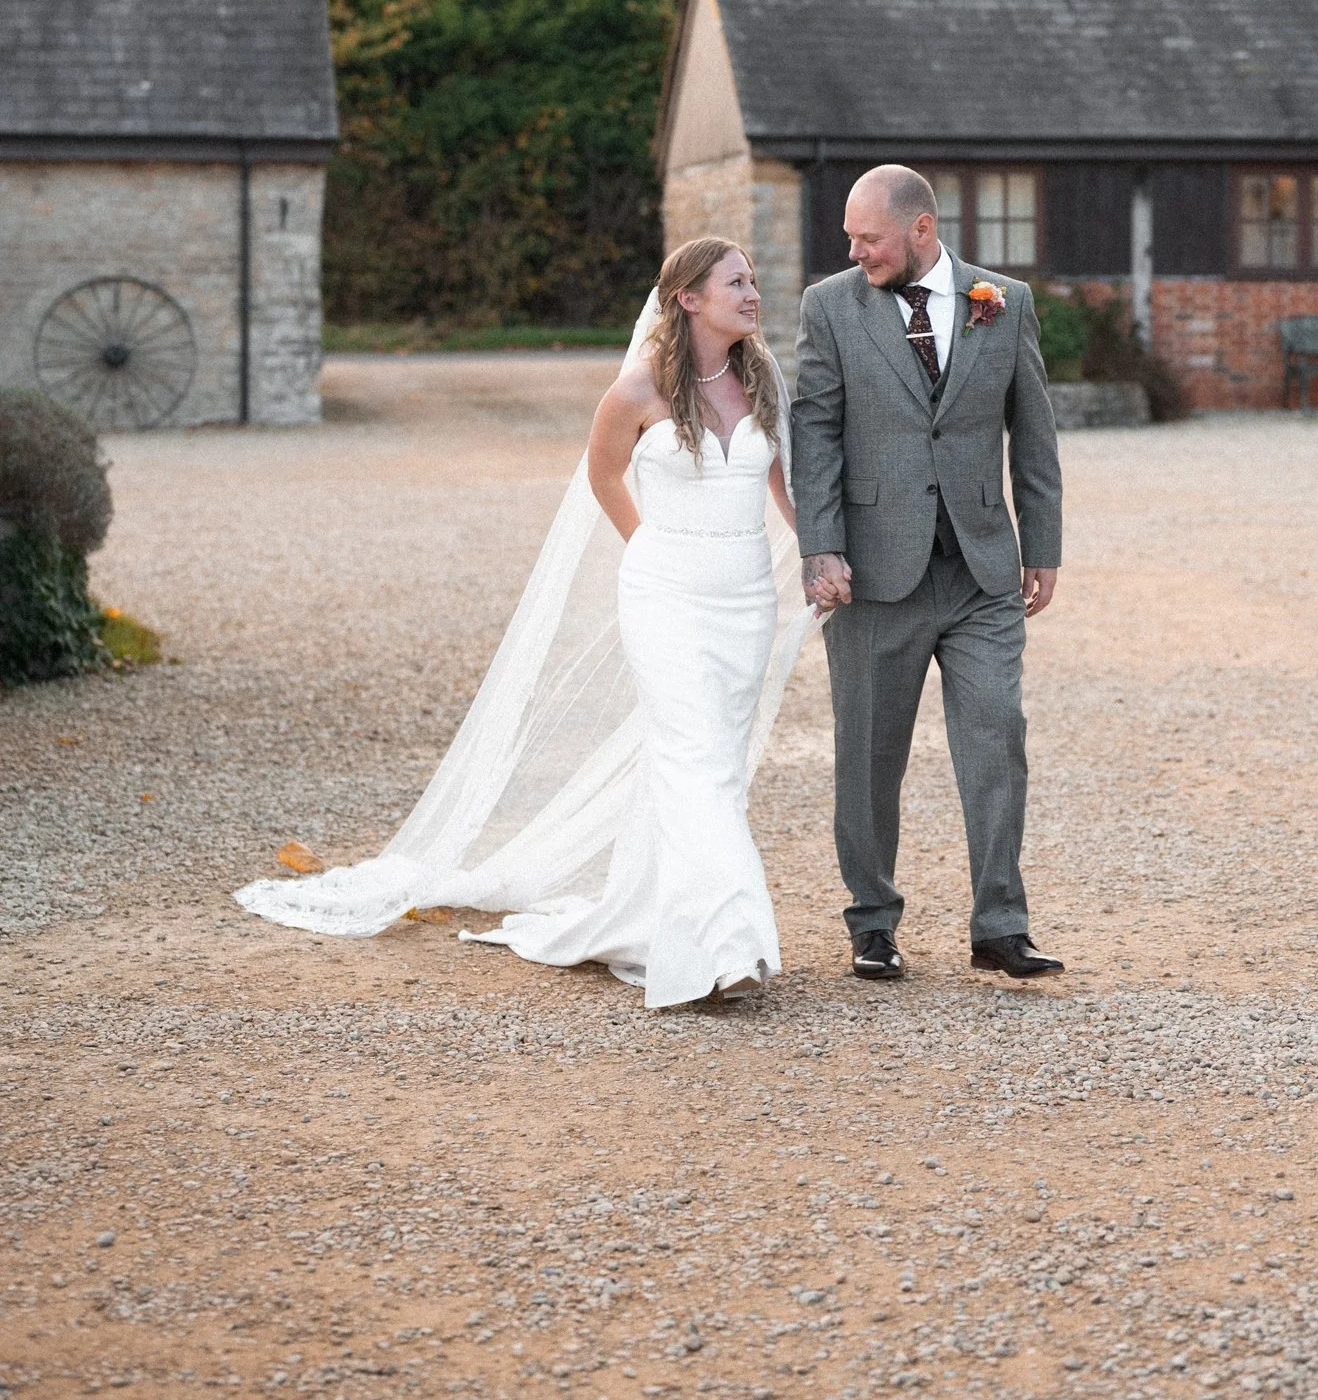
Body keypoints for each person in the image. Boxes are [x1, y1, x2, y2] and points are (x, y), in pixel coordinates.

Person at [236, 239, 815, 1012]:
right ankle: (727, 947)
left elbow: (781, 478)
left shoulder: (761, 381)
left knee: (711, 763)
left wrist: (817, 556)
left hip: (744, 600)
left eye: (750, 281)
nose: (752, 293)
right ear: (688, 299)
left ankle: (660, 916)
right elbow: (605, 474)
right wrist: (651, 546)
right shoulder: (637, 391)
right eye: (735, 282)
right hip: (665, 597)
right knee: (693, 761)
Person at [792, 165, 1064, 981]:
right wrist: (821, 545)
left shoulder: (1001, 301)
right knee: (870, 754)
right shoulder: (829, 306)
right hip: (873, 573)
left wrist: (1041, 548)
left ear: (920, 230)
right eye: (849, 237)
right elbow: (815, 433)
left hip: (983, 569)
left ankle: (999, 926)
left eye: (867, 237)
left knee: (996, 742)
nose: (853, 250)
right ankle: (872, 925)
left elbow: (1035, 434)